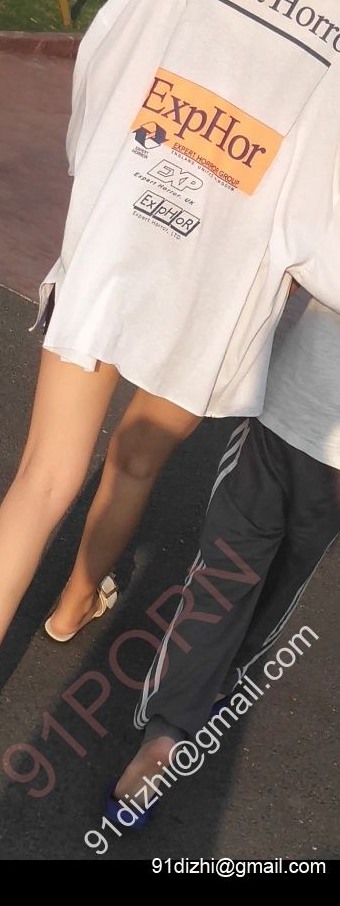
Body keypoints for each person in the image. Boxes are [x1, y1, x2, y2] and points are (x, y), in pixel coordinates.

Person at [0, 0, 340, 764]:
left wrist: (99, 178)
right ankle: (74, 603)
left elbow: (108, 52)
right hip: (218, 280)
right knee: (138, 459)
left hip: (118, 231)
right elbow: (328, 202)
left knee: (43, 476)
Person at [109, 292, 339, 816]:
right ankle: (217, 680)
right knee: (286, 577)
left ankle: (168, 730)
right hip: (306, 435)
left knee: (225, 573)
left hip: (286, 409)